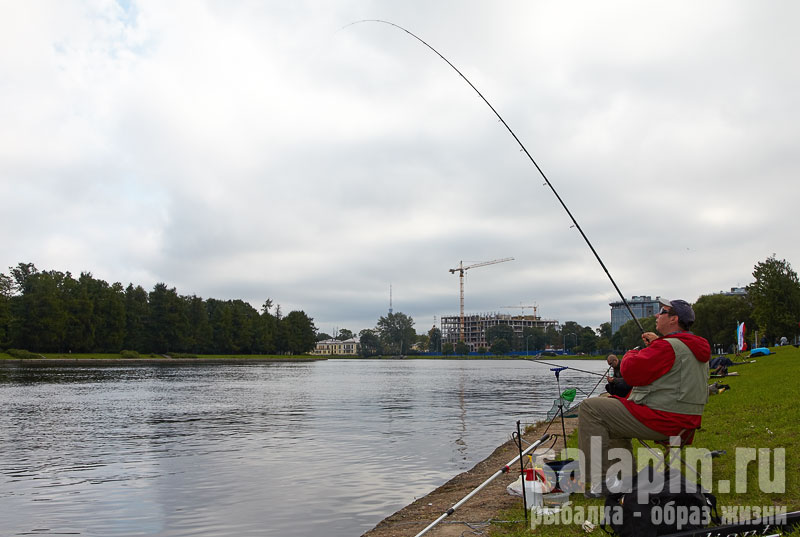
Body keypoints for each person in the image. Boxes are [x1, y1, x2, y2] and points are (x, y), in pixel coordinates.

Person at [578, 298, 711, 497]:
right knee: (608, 406)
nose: (657, 315)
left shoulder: (667, 347)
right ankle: (623, 479)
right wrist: (656, 344)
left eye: (662, 312)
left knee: (590, 408)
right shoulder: (692, 346)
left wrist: (634, 352)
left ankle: (605, 481)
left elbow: (630, 373)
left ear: (674, 319)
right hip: (685, 421)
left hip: (663, 419)